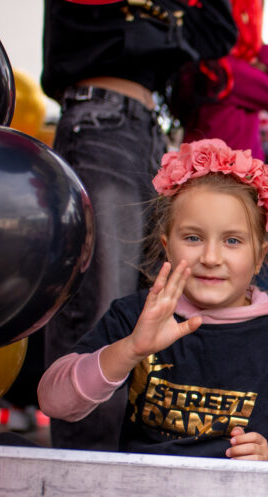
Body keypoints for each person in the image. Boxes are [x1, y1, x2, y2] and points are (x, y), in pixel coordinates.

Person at [37, 139, 268, 462]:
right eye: (193, 238)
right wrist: (131, 348)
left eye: (232, 241)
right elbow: (53, 401)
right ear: (167, 246)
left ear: (259, 257)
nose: (211, 257)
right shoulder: (137, 314)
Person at [40, 0, 237, 452]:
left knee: (155, 305)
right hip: (99, 121)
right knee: (99, 310)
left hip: (150, 130)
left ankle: (129, 468)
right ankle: (83, 477)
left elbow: (217, 33)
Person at [174, 0, 268, 162]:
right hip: (229, 178)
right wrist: (261, 47)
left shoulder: (200, 65)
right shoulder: (231, 72)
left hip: (201, 172)